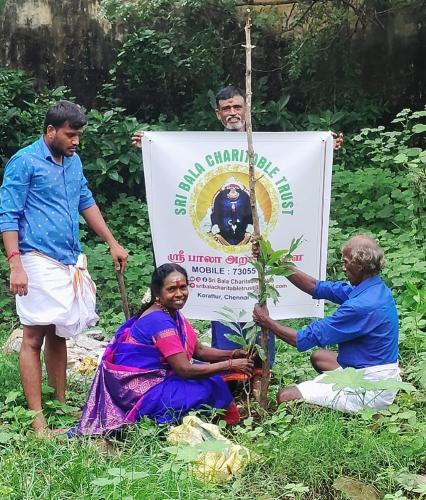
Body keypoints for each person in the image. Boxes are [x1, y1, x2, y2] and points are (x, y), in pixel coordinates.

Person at [131, 85, 343, 371]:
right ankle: (231, 378)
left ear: (247, 109)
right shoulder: (203, 147)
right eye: (226, 108)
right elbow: (175, 158)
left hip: (255, 257)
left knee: (263, 314)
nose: (233, 113)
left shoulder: (270, 145)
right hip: (223, 262)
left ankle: (260, 374)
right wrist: (152, 146)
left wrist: (323, 146)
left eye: (237, 107)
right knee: (224, 314)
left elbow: (301, 157)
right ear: (218, 114)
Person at [0, 100, 128, 436]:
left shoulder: (73, 162)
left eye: (78, 136)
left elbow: (86, 201)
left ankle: (58, 403)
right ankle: (37, 420)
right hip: (35, 258)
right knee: (32, 336)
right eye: (70, 135)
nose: (76, 142)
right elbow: (8, 215)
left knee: (59, 331)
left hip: (68, 259)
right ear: (50, 131)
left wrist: (112, 242)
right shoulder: (24, 162)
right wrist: (16, 264)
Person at [75, 263, 254, 435]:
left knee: (210, 376)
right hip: (140, 393)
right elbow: (184, 369)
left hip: (159, 377)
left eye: (183, 287)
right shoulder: (160, 321)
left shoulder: (171, 313)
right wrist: (230, 364)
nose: (179, 293)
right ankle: (165, 425)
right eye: (172, 289)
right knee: (207, 385)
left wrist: (232, 353)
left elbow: (198, 349)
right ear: (157, 293)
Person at [252, 234, 400, 413]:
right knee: (320, 356)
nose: (343, 268)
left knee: (285, 397)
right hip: (376, 370)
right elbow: (316, 286)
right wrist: (273, 258)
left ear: (360, 265)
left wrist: (266, 322)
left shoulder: (360, 307)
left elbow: (303, 339)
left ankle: (364, 413)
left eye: (345, 262)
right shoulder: (375, 289)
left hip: (372, 387)